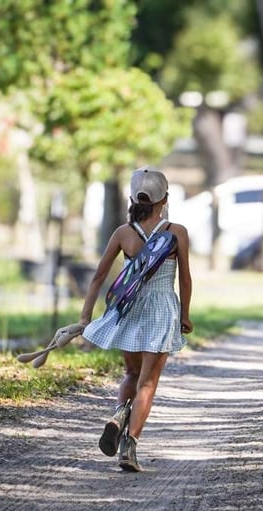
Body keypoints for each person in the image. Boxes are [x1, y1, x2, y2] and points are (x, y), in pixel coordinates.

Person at [78, 166, 193, 472]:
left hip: (129, 310)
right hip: (161, 310)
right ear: (164, 199)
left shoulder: (123, 233)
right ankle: (129, 447)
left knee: (131, 373)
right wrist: (185, 315)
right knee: (148, 383)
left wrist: (85, 317)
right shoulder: (176, 233)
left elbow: (99, 277)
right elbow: (185, 280)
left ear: (132, 198)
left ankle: (118, 414)